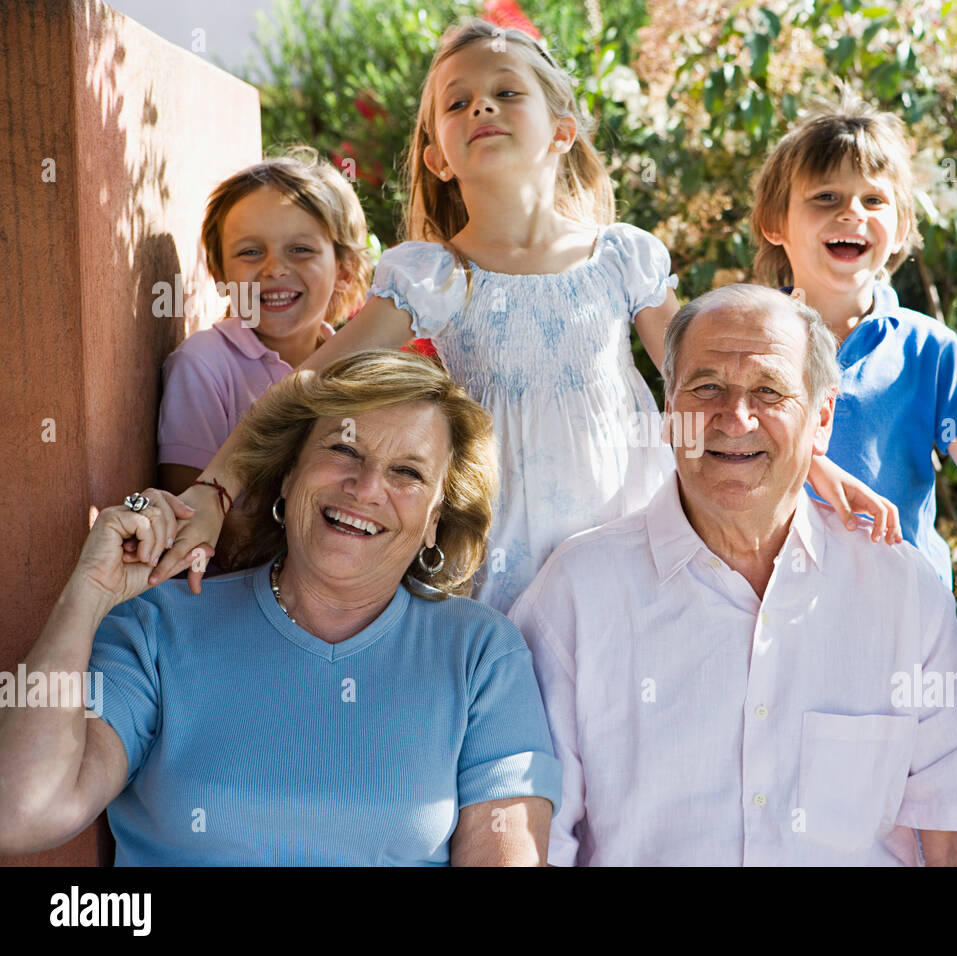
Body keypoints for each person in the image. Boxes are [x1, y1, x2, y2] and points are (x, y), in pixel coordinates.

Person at [150, 18, 898, 612]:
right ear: (439, 155)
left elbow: (707, 394)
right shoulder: (434, 275)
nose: (481, 105)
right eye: (456, 101)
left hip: (631, 543)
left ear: (563, 129)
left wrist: (812, 470)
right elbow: (300, 388)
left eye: (507, 92)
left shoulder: (621, 259)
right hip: (495, 558)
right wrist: (212, 493)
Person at [0, 350, 561, 865]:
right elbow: (21, 814)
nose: (366, 488)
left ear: (435, 519)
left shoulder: (482, 652)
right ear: (289, 474)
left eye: (408, 473)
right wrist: (86, 594)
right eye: (344, 449)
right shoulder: (158, 626)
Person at [510, 285, 957, 866]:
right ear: (670, 411)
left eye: (768, 391)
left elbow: (956, 835)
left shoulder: (901, 590)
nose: (735, 417)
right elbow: (535, 842)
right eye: (707, 387)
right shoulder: (576, 595)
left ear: (822, 419)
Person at [751, 98, 957, 588]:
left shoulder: (929, 348)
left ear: (901, 231)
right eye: (826, 197)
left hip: (904, 607)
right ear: (775, 223)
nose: (852, 212)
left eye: (874, 200)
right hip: (782, 602)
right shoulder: (748, 342)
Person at [157, 149, 373, 497]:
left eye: (300, 249)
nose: (275, 269)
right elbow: (188, 504)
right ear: (219, 272)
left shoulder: (357, 371)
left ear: (343, 270)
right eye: (250, 252)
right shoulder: (203, 364)